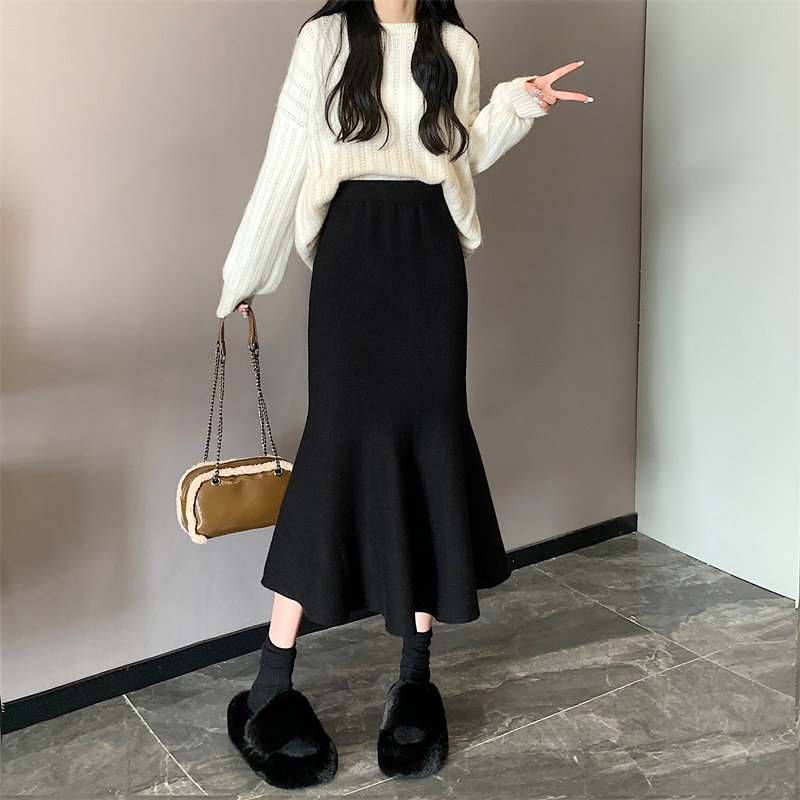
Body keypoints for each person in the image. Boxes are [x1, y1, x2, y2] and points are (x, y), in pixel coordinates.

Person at [222, 0, 592, 789]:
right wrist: (245, 274)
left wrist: (516, 106)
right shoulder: (325, 40)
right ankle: (270, 684)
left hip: (431, 255)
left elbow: (460, 152)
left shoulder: (454, 45)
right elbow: (288, 155)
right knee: (335, 448)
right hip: (352, 251)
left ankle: (415, 678)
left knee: (431, 440)